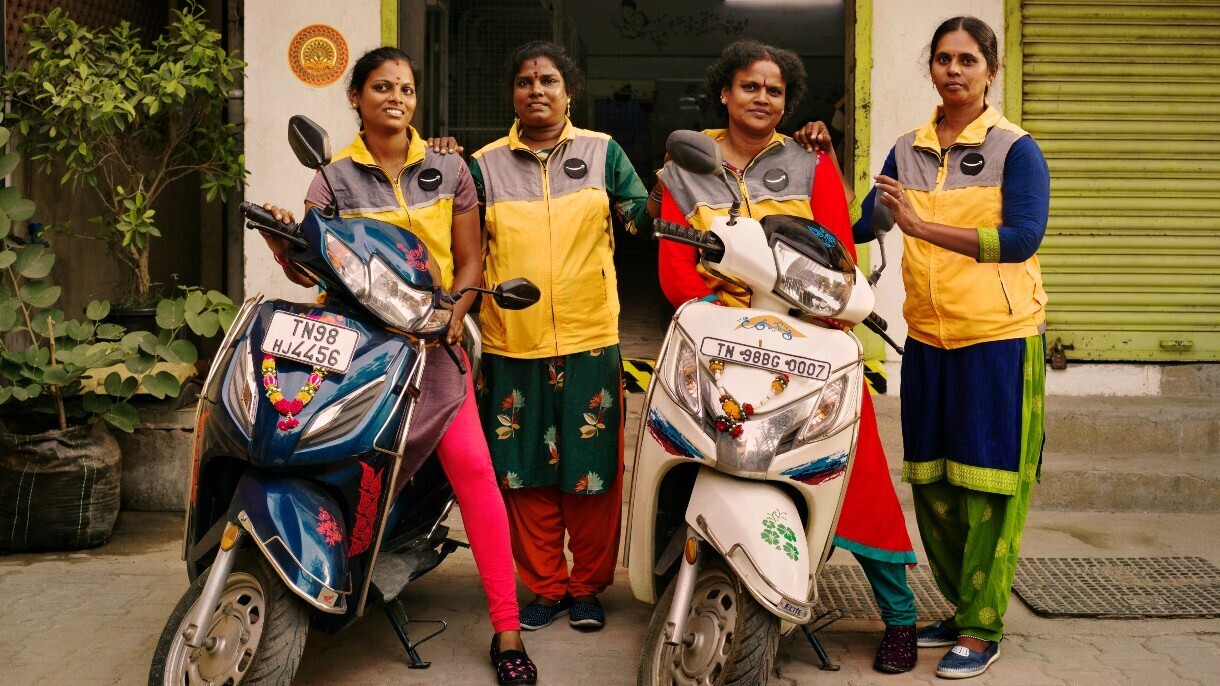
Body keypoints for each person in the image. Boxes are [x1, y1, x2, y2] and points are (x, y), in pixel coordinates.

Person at [260, 47, 537, 686]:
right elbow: (312, 267)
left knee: (474, 473)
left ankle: (507, 629)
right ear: (355, 98)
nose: (396, 97)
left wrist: (452, 316)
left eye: (406, 89)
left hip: (432, 346)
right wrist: (283, 238)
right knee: (323, 456)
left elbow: (471, 263)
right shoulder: (331, 179)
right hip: (356, 347)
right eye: (382, 87)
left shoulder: (449, 168)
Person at [652, 39, 921, 675]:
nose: (763, 99)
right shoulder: (686, 166)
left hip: (805, 341)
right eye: (751, 87)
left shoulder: (809, 160)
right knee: (691, 450)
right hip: (720, 342)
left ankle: (900, 615)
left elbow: (838, 258)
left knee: (857, 472)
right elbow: (675, 274)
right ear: (724, 91)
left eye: (775, 91)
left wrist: (811, 311)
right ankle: (686, 576)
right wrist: (730, 304)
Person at [852, 16, 1050, 679]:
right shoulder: (906, 148)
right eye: (943, 59)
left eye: (968, 59)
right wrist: (818, 156)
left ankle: (983, 627)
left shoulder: (1016, 149)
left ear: (990, 70)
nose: (954, 70)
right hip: (929, 339)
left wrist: (923, 226)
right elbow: (868, 222)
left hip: (998, 341)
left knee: (988, 488)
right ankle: (961, 606)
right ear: (931, 69)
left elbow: (1022, 239)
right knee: (934, 481)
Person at [468, 40, 651, 634]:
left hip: (590, 338)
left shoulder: (604, 153)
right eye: (525, 82)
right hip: (510, 343)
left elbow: (640, 216)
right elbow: (462, 244)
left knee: (591, 473)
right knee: (523, 474)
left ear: (569, 92)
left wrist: (676, 189)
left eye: (549, 80)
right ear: (513, 94)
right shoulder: (483, 164)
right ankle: (544, 587)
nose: (537, 90)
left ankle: (588, 586)